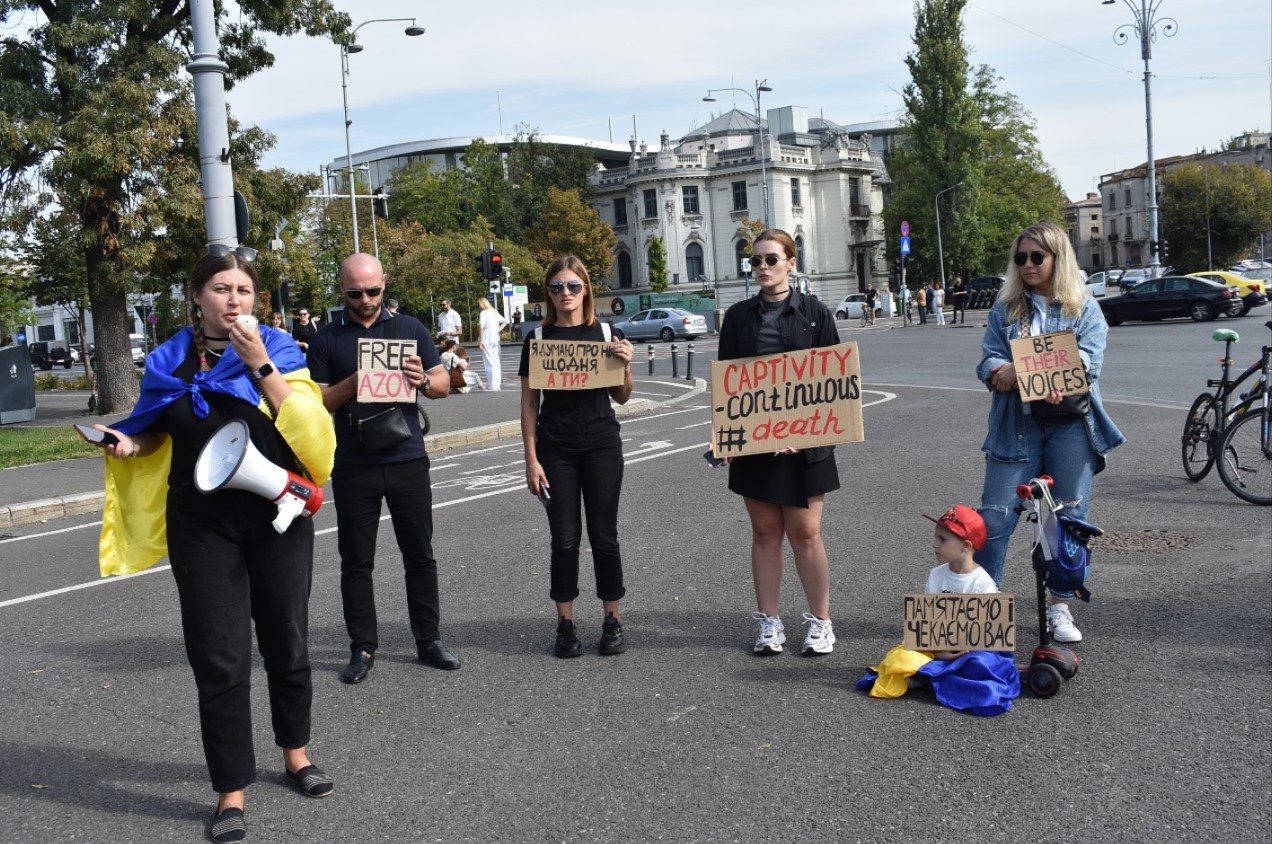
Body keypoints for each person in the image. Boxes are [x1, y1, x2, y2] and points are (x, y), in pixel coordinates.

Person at [93, 246, 337, 842]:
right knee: (219, 654)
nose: (234, 300)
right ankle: (230, 789)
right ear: (197, 296)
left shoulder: (278, 349)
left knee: (287, 635)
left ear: (257, 299)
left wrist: (259, 365)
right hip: (202, 524)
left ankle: (296, 754)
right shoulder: (168, 361)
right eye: (221, 289)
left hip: (275, 510)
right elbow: (153, 432)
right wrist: (129, 445)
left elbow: (308, 425)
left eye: (244, 290)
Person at [308, 252, 461, 685]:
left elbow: (443, 386)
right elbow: (318, 402)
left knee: (420, 555)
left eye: (373, 290)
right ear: (343, 289)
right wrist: (352, 383)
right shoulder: (326, 339)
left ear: (384, 284)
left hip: (406, 455)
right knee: (356, 560)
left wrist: (424, 379)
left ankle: (428, 640)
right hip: (354, 461)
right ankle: (362, 647)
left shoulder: (409, 328)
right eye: (355, 292)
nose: (366, 299)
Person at [976, 221, 1125, 643]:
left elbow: (1088, 364)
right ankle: (984, 611)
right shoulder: (1004, 309)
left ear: (1057, 259)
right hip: (1014, 427)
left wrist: (1016, 370)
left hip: (1071, 427)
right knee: (994, 517)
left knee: (1067, 519)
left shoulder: (1084, 308)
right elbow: (987, 360)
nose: (1026, 264)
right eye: (1020, 257)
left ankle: (1060, 608)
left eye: (1036, 257)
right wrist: (997, 369)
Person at [717, 229, 841, 657]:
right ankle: (769, 623)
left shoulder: (815, 313)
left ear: (791, 261)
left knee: (806, 533)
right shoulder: (737, 317)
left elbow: (833, 383)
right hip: (755, 441)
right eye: (755, 261)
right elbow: (728, 382)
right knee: (765, 531)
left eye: (771, 259)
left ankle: (821, 623)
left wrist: (805, 435)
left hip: (807, 443)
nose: (762, 268)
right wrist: (725, 436)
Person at [519, 255, 635, 658]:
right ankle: (565, 625)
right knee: (564, 539)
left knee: (605, 536)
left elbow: (621, 396)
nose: (564, 293)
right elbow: (529, 404)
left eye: (572, 285)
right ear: (547, 293)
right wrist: (531, 459)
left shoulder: (605, 332)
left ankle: (612, 620)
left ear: (586, 288)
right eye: (556, 287)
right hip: (556, 449)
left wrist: (626, 366)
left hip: (602, 444)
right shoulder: (537, 339)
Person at [856, 506, 1019, 715]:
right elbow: (927, 620)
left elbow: (988, 632)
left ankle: (930, 676)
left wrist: (957, 649)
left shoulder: (982, 583)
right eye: (936, 538)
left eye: (942, 540)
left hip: (970, 648)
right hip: (938, 645)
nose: (935, 544)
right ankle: (934, 675)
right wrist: (940, 650)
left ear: (965, 546)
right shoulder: (936, 575)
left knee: (980, 664)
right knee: (901, 656)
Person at [477, 296, 510, 391]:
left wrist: (481, 340)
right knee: (496, 362)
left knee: (489, 362)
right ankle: (496, 385)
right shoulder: (494, 311)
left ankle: (492, 385)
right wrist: (497, 330)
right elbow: (505, 321)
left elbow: (481, 327)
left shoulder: (484, 313)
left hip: (487, 339)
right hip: (495, 339)